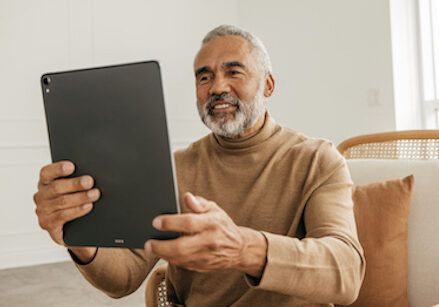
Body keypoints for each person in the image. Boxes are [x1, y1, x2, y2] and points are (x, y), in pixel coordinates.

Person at [33, 25, 365, 306]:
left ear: (268, 85)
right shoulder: (176, 167)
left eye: (234, 71)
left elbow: (347, 273)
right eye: (204, 77)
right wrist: (78, 236)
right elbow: (125, 277)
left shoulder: (317, 159)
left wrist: (243, 249)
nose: (217, 87)